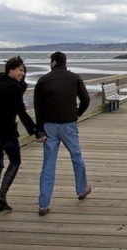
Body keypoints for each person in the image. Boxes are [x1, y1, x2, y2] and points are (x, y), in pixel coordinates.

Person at [0, 56, 44, 215]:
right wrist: (35, 131)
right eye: (20, 70)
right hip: (5, 131)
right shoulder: (13, 88)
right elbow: (21, 112)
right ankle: (1, 197)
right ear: (11, 70)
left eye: (24, 71)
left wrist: (21, 82)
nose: (22, 73)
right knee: (15, 161)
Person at [34, 51, 92, 216]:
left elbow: (38, 107)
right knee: (77, 157)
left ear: (53, 63)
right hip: (68, 125)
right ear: (65, 63)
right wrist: (77, 113)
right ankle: (81, 190)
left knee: (48, 165)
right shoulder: (74, 78)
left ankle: (44, 204)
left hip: (49, 126)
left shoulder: (43, 80)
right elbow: (86, 99)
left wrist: (39, 130)